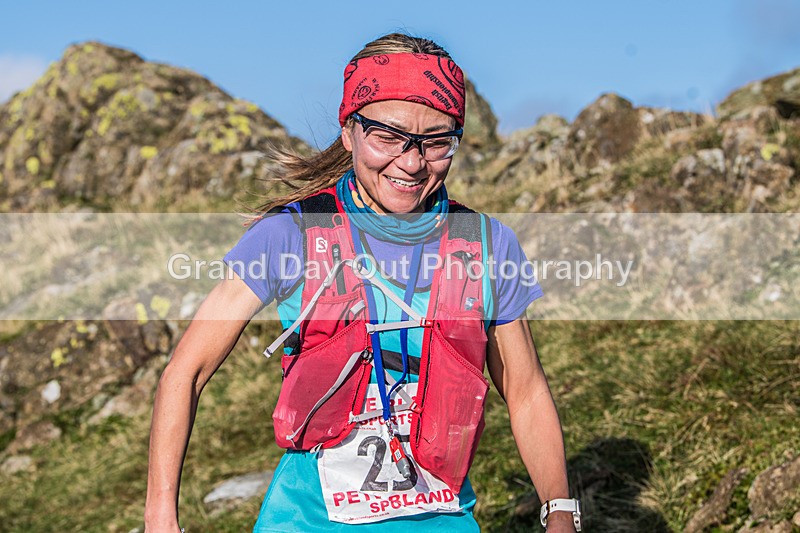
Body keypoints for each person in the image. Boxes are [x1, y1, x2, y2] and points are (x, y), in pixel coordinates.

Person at [145, 32, 579, 532]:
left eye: (437, 141)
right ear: (349, 131)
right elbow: (186, 372)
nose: (412, 162)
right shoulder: (290, 235)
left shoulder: (485, 245)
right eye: (388, 137)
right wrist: (160, 517)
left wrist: (560, 511)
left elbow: (525, 391)